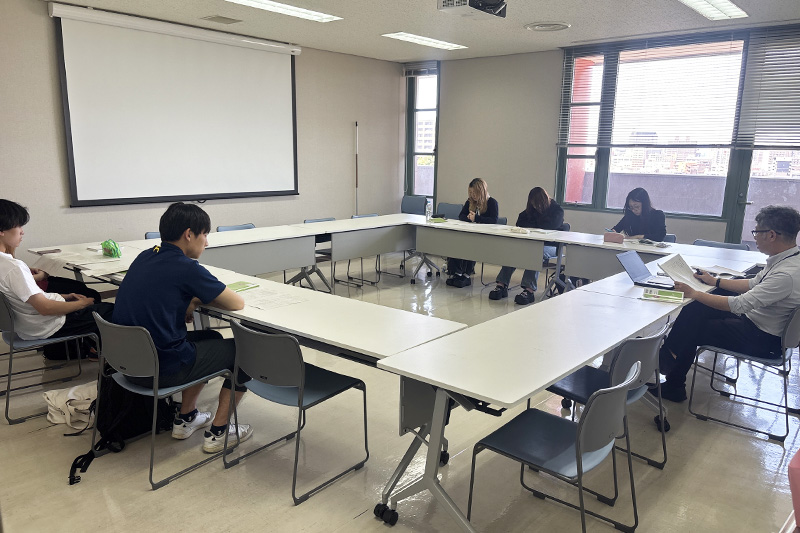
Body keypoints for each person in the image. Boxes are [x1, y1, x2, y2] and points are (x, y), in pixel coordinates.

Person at [112, 202, 253, 453]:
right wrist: (196, 298)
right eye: (204, 234)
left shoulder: (146, 255)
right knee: (246, 351)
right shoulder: (186, 267)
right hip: (160, 369)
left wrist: (191, 299)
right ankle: (219, 432)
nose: (207, 242)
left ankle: (186, 417)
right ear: (189, 234)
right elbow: (236, 303)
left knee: (211, 336)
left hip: (128, 365)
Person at [656, 205, 800, 403]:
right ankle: (668, 355)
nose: (755, 237)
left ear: (771, 235)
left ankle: (672, 380)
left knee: (694, 325)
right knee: (697, 307)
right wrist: (714, 281)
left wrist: (694, 293)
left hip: (763, 340)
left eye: (757, 232)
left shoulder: (785, 274)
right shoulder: (789, 260)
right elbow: (751, 284)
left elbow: (738, 305)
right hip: (760, 325)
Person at [0, 199, 113, 358]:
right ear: (2, 230)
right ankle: (111, 360)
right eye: (18, 226)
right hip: (47, 325)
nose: (22, 231)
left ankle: (93, 351)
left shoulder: (6, 264)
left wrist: (65, 297)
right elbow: (45, 308)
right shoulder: (13, 267)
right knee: (110, 311)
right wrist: (81, 304)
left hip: (28, 324)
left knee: (84, 297)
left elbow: (31, 299)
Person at [488, 187, 564, 305]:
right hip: (531, 244)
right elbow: (520, 222)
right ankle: (502, 284)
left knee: (535, 252)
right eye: (533, 204)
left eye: (538, 204)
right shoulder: (532, 209)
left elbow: (550, 226)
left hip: (551, 246)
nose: (536, 207)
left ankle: (529, 289)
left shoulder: (557, 210)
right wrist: (538, 223)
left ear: (544, 201)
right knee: (514, 249)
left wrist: (534, 223)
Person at [446, 178, 499, 288]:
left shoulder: (492, 202)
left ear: (481, 191)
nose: (472, 195)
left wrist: (477, 218)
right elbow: (461, 215)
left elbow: (494, 220)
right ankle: (457, 273)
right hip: (469, 233)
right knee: (455, 243)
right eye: (470, 192)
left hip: (483, 237)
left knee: (471, 246)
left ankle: (466, 275)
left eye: (475, 192)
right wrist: (469, 218)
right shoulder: (470, 202)